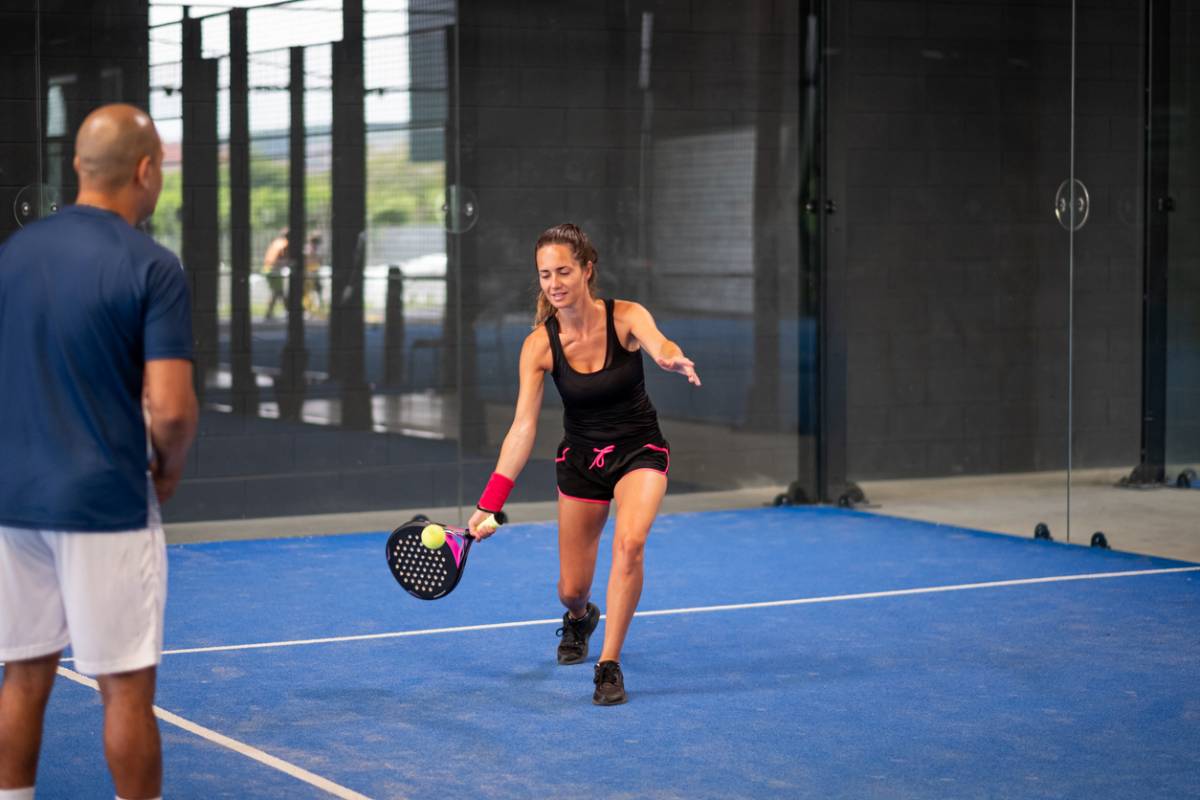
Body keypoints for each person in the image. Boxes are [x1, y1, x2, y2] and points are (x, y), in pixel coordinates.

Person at [0, 104, 198, 800]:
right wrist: (167, 469)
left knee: (23, 675)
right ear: (146, 172)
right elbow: (172, 409)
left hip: (13, 501)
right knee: (123, 691)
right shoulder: (152, 265)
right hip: (105, 503)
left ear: (79, 167)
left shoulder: (11, 256)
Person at [467, 223, 701, 706]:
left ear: (587, 270)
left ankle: (609, 665)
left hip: (640, 452)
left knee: (630, 544)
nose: (554, 283)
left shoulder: (626, 316)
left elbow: (660, 344)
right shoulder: (538, 345)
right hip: (580, 463)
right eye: (545, 274)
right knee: (571, 589)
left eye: (564, 271)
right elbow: (522, 429)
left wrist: (671, 358)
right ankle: (580, 618)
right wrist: (490, 503)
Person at [261, 227, 289, 320]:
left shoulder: (277, 242)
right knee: (278, 291)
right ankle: (287, 311)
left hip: (267, 268)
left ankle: (270, 313)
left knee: (277, 292)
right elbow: (283, 259)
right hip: (274, 269)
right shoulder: (285, 244)